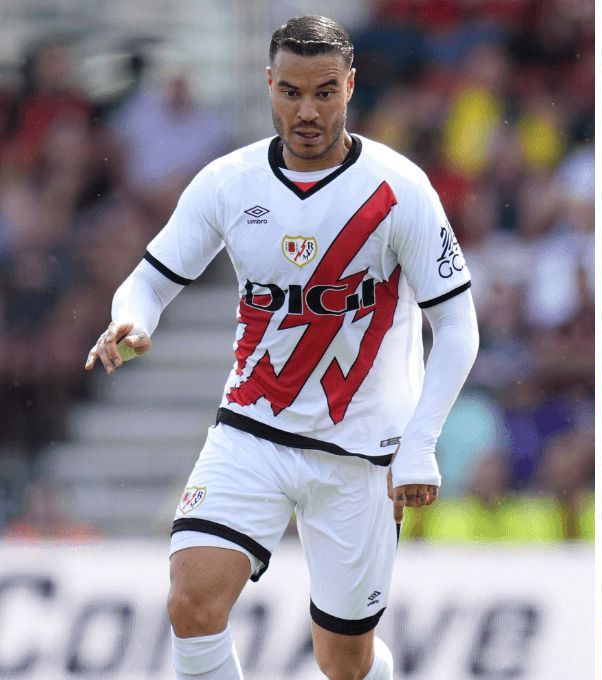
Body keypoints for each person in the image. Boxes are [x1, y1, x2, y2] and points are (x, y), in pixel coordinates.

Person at [84, 16, 479, 680]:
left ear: (350, 86)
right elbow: (148, 281)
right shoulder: (229, 183)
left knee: (344, 662)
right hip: (253, 428)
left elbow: (460, 327)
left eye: (325, 92)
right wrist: (131, 318)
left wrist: (420, 443)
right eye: (291, 92)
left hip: (360, 450)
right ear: (269, 84)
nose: (307, 110)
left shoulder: (399, 189)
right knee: (191, 602)